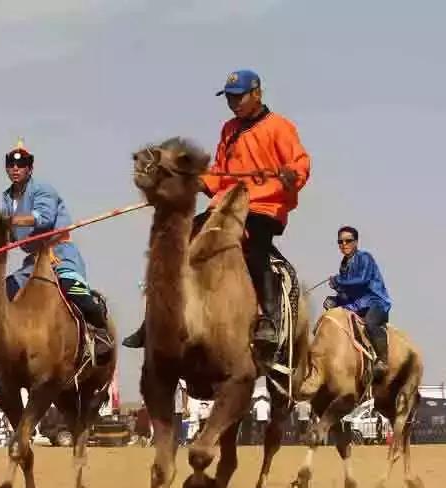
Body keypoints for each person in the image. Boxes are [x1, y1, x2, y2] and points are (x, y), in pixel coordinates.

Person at [124, 69, 311, 362]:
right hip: (224, 207)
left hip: (262, 206)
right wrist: (197, 182)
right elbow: (220, 173)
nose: (233, 102)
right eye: (229, 98)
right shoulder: (229, 129)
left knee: (254, 252)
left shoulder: (279, 127)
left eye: (239, 96)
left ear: (257, 94)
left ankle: (269, 320)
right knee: (174, 244)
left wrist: (291, 175)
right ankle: (156, 320)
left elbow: (300, 163)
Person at [0, 140, 113, 358]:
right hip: (31, 264)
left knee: (74, 290)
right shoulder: (6, 198)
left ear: (30, 168)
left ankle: (100, 332)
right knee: (2, 292)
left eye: (21, 164)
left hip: (58, 255)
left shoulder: (43, 190)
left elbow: (43, 219)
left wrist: (6, 221)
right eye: (11, 164)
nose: (15, 168)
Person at [325, 225, 392, 381]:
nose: (344, 245)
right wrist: (336, 297)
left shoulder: (364, 257)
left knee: (370, 324)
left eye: (348, 241)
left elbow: (362, 280)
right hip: (356, 305)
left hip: (375, 303)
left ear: (356, 242)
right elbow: (348, 292)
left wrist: (338, 281)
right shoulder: (344, 265)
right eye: (340, 242)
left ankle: (383, 360)